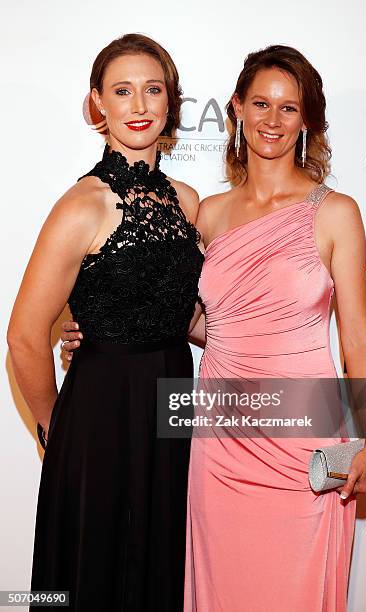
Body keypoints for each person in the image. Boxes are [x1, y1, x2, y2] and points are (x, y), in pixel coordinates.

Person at [61, 45, 366, 611]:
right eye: (260, 103)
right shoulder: (206, 213)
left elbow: (358, 335)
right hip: (222, 440)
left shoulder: (337, 212)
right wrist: (98, 321)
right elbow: (184, 312)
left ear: (307, 120)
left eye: (289, 108)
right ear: (236, 109)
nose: (272, 120)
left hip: (303, 437)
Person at [7, 33, 204, 611]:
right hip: (99, 409)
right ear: (99, 103)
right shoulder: (81, 205)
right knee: (96, 565)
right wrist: (53, 429)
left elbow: (189, 315)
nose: (139, 106)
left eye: (152, 90)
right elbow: (23, 336)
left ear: (171, 103)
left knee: (160, 559)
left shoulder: (189, 202)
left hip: (173, 395)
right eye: (122, 91)